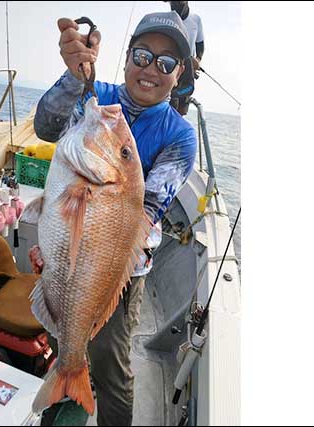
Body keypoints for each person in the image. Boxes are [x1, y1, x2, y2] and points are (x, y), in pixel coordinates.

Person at [31, 11, 198, 426]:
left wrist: (75, 241)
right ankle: (64, 391)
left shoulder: (179, 135)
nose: (150, 69)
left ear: (178, 76)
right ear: (126, 57)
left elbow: (148, 209)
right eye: (143, 55)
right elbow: (46, 127)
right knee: (62, 340)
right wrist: (74, 75)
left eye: (166, 63)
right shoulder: (93, 97)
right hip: (70, 255)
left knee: (112, 369)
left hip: (118, 273)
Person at [167, 1, 205, 115]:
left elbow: (200, 46)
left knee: (182, 110)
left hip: (187, 74)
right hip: (169, 70)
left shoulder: (196, 20)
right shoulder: (167, 20)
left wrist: (197, 61)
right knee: (169, 105)